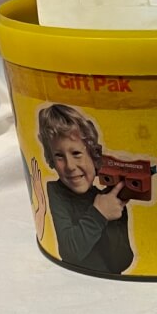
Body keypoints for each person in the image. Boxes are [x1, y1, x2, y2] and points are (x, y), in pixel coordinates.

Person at [37, 104, 133, 274]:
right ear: (51, 159)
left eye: (76, 153)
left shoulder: (104, 199)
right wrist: (99, 215)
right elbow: (69, 253)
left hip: (112, 285)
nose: (70, 166)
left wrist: (116, 218)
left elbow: (122, 262)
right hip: (72, 281)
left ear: (93, 155)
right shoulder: (56, 192)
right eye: (59, 156)